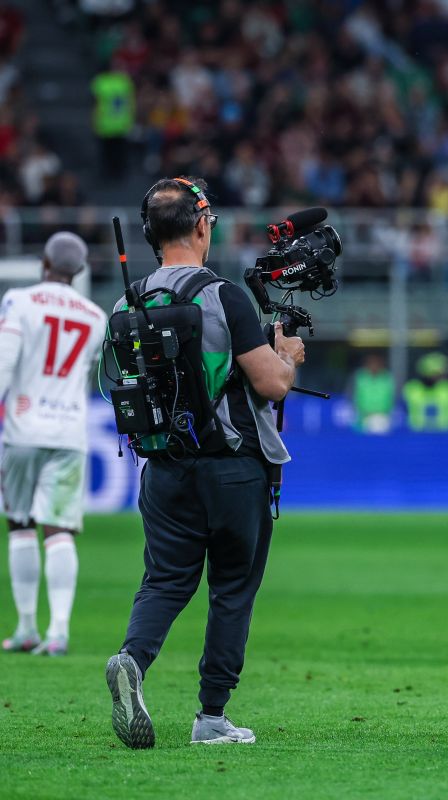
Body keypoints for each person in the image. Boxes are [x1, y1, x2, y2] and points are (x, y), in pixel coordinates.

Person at [105, 177, 306, 749]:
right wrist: (287, 355)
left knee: (164, 582)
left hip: (163, 467)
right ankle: (211, 717)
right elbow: (270, 384)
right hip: (233, 467)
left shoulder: (128, 299)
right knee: (231, 591)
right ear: (201, 224)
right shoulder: (222, 295)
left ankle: (132, 661)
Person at [0, 232, 105, 657]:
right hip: (69, 431)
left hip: (23, 428)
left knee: (20, 522)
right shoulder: (95, 315)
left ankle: (26, 627)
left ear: (43, 260)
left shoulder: (19, 302)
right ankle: (58, 630)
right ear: (79, 270)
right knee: (59, 529)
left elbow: (4, 363)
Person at [403, 352, 448, 432]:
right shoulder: (412, 387)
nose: (442, 376)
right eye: (437, 373)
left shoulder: (447, 387)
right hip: (416, 434)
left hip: (445, 434)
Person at [351, 353, 395, 434]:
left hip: (382, 416)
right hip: (363, 416)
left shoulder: (387, 377)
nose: (374, 365)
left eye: (376, 363)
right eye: (371, 363)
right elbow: (351, 395)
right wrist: (359, 411)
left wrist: (385, 411)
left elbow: (392, 396)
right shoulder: (360, 376)